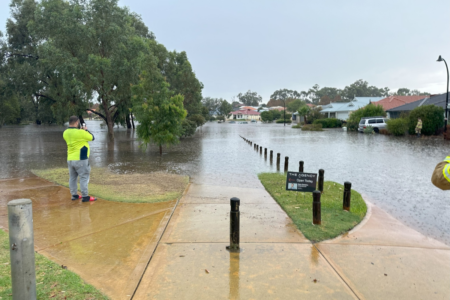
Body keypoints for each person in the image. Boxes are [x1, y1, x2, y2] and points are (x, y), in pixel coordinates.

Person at [63, 116, 97, 202]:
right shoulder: (80, 132)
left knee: (72, 178)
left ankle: (74, 195)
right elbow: (92, 137)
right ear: (77, 123)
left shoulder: (65, 133)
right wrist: (85, 130)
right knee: (84, 177)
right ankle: (85, 196)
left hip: (70, 159)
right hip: (81, 159)